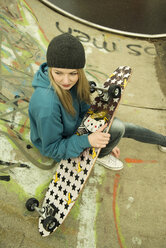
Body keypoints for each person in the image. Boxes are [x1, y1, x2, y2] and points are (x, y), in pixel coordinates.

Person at [28, 33, 166, 171]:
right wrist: (88, 141)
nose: (66, 81)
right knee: (118, 127)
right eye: (59, 73)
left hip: (76, 129)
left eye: (73, 73)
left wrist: (108, 140)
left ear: (79, 71)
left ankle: (164, 141)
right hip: (63, 145)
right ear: (51, 69)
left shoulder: (74, 82)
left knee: (121, 128)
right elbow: (52, 149)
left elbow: (83, 109)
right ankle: (101, 156)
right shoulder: (47, 106)